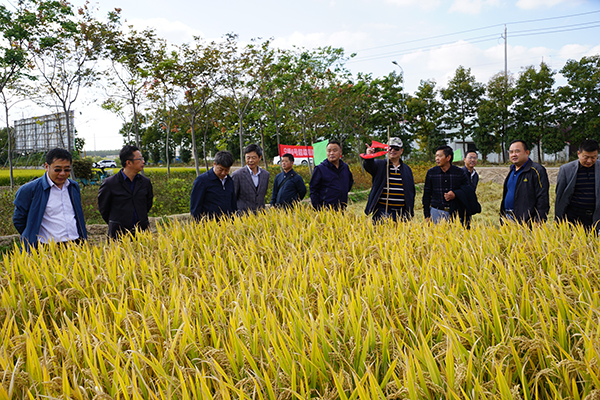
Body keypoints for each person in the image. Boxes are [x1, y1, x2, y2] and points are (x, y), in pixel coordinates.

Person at [13, 148, 87, 250]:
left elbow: (77, 216)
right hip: (46, 247)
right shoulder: (29, 190)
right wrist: (31, 235)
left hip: (75, 245)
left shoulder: (73, 187)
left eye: (67, 170)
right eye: (57, 169)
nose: (62, 173)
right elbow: (19, 220)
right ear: (47, 167)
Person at [97, 145, 154, 239]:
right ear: (129, 163)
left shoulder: (145, 182)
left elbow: (148, 204)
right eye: (140, 159)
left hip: (142, 234)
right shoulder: (110, 183)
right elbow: (104, 209)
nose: (143, 161)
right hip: (118, 235)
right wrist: (116, 223)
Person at [363, 137, 415, 221]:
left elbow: (411, 190)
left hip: (401, 212)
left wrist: (409, 210)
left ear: (401, 151)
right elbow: (369, 166)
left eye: (396, 148)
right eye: (390, 148)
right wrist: (369, 156)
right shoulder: (380, 165)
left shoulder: (407, 169)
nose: (393, 150)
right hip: (382, 211)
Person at [555, 139, 600, 231]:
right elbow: (560, 195)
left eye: (593, 157)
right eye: (586, 157)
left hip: (596, 216)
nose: (589, 161)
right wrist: (558, 219)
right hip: (574, 216)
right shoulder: (566, 169)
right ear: (578, 153)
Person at [500, 139, 549, 223]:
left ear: (527, 153)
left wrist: (539, 220)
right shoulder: (512, 170)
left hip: (527, 221)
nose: (514, 154)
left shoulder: (536, 170)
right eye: (511, 152)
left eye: (517, 151)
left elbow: (543, 198)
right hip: (508, 218)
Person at [422, 145, 469, 223]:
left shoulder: (459, 173)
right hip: (436, 212)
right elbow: (426, 195)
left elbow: (466, 191)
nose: (437, 158)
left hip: (455, 212)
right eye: (436, 156)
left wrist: (455, 194)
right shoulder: (431, 173)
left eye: (440, 156)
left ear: (448, 158)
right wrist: (426, 215)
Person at [190, 150, 237, 220]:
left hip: (228, 223)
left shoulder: (229, 181)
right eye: (220, 169)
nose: (223, 173)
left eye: (226, 170)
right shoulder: (202, 180)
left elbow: (233, 204)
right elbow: (195, 207)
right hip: (209, 224)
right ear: (214, 164)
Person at [310, 140, 354, 210]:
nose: (331, 153)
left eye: (334, 150)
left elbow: (350, 182)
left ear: (340, 152)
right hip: (326, 210)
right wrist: (317, 208)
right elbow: (313, 190)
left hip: (342, 208)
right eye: (329, 151)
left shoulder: (345, 167)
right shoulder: (320, 169)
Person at [231, 143, 270, 212]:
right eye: (248, 158)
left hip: (260, 215)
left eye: (253, 158)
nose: (250, 160)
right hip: (243, 215)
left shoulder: (265, 175)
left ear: (260, 158)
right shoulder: (237, 175)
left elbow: (261, 196)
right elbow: (232, 198)